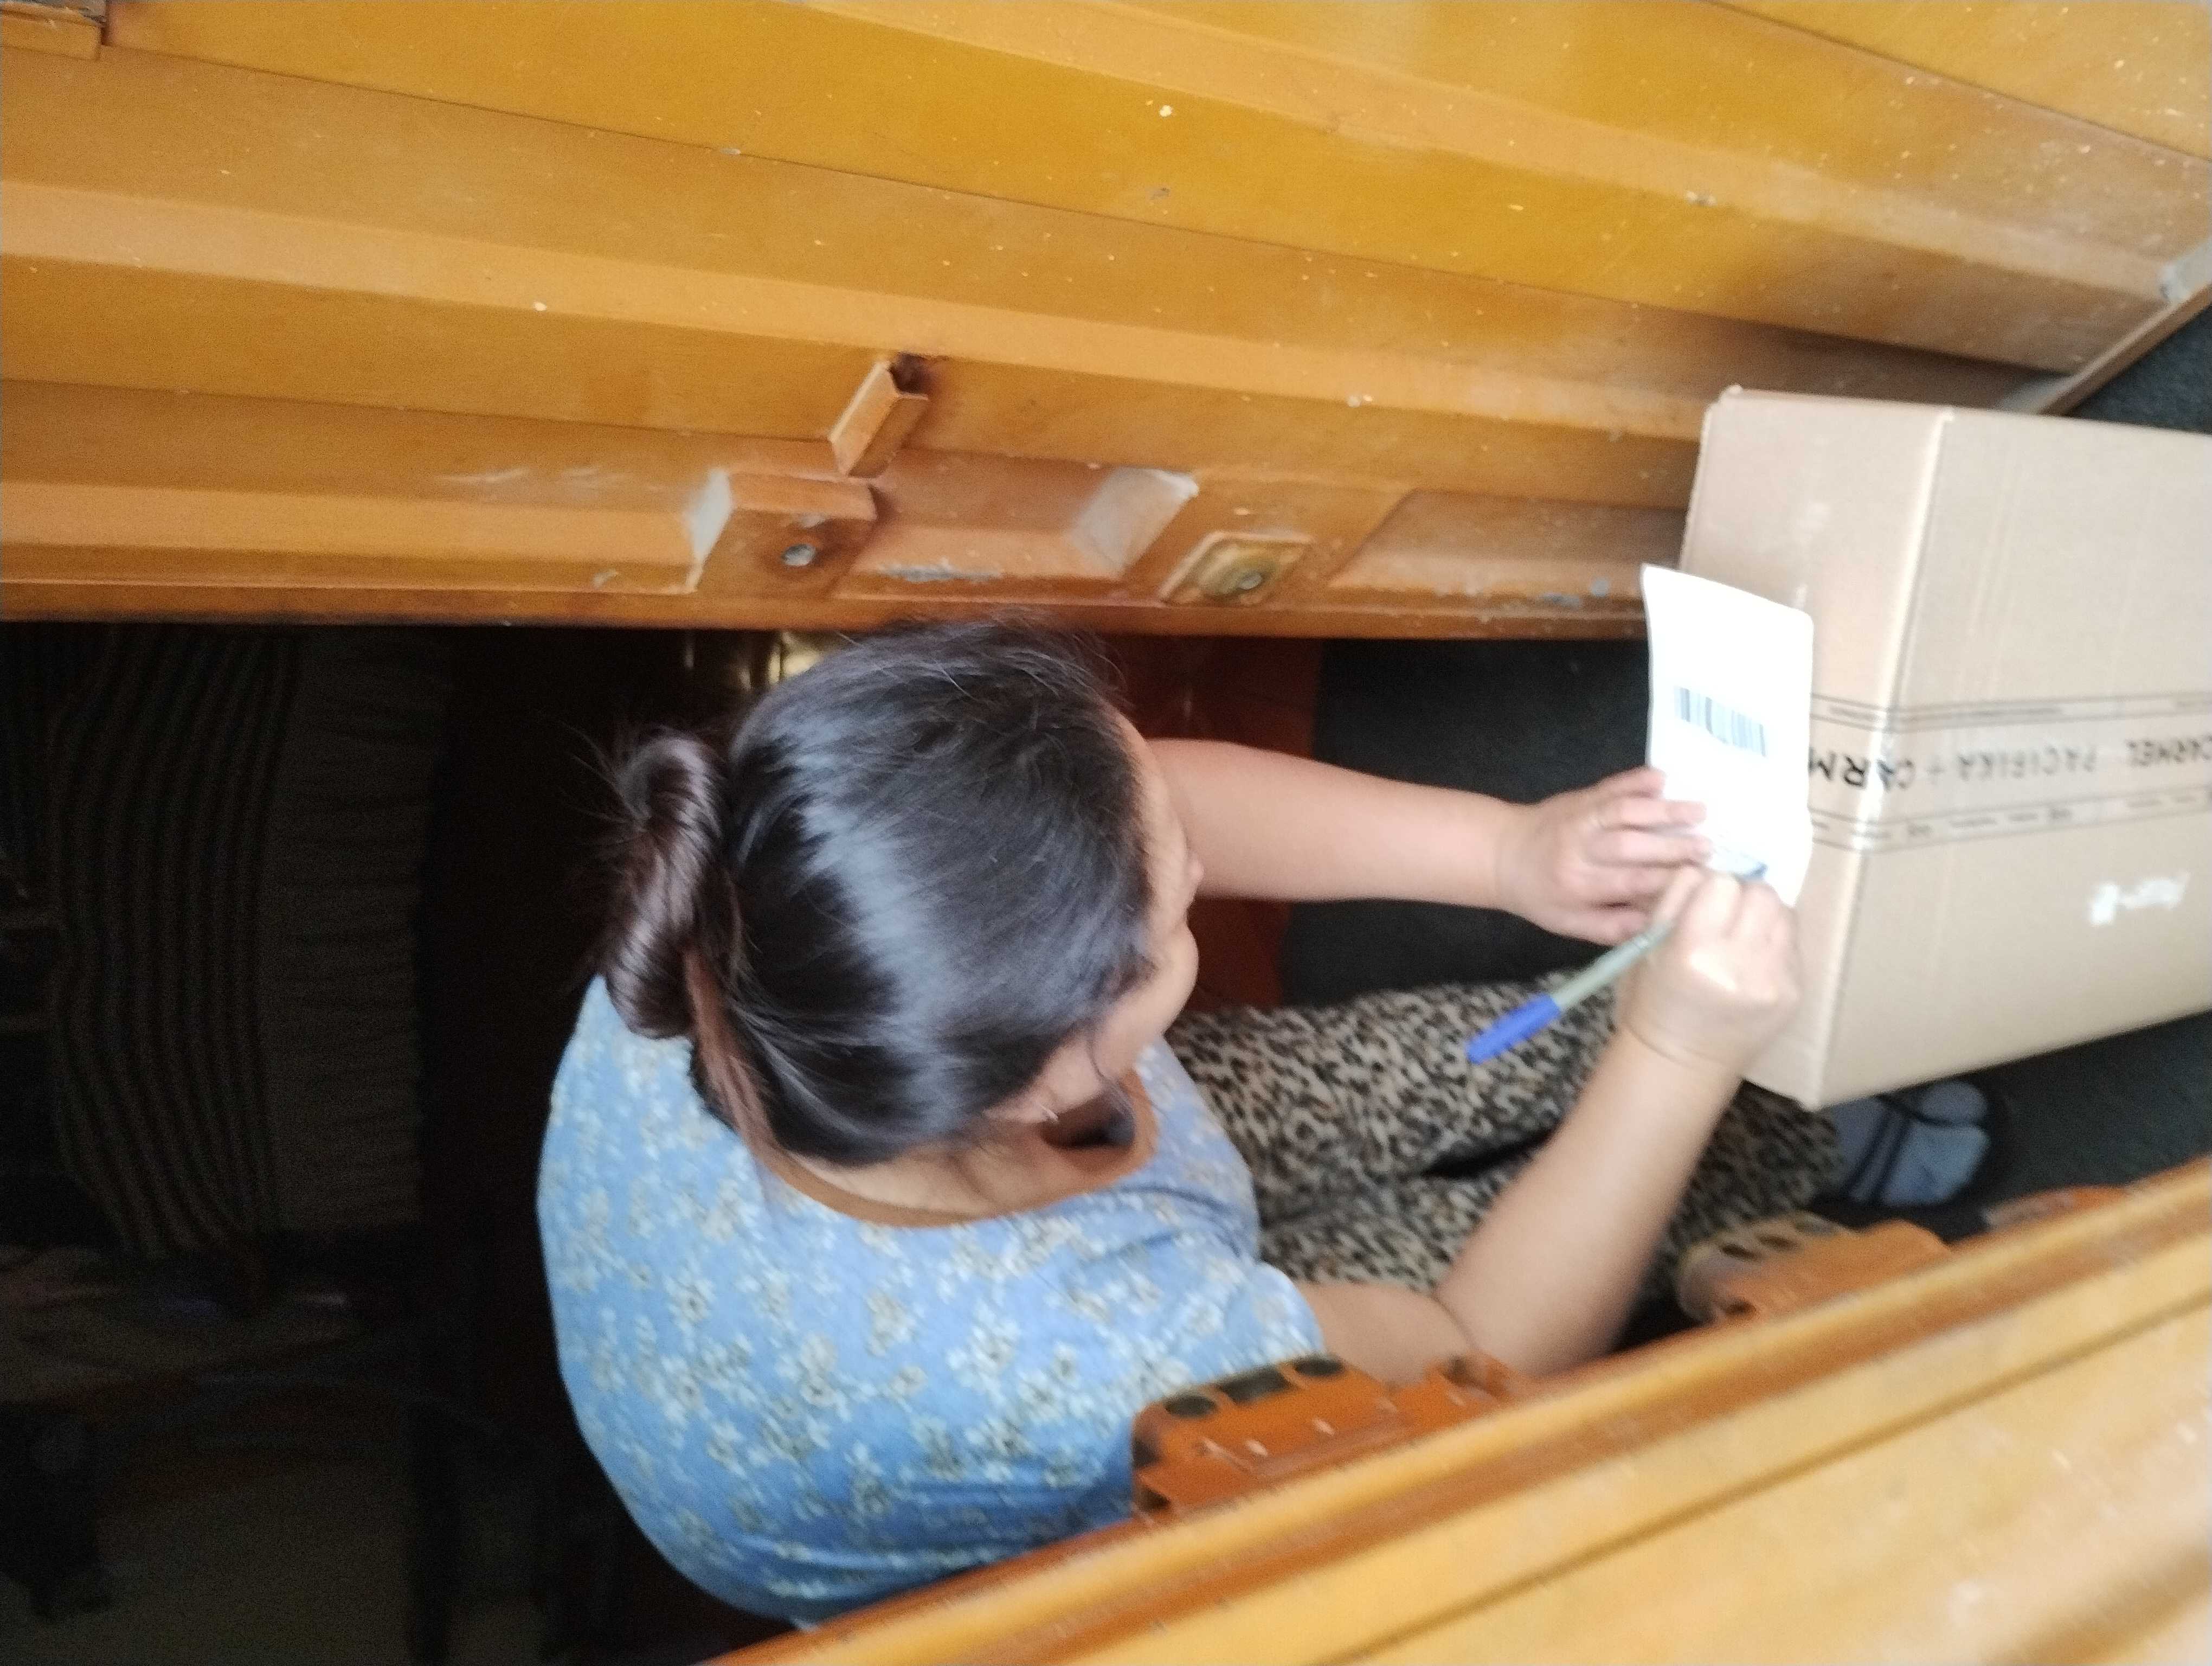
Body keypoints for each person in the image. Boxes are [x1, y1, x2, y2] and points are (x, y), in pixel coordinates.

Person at [537, 619, 1832, 1622]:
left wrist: (1509, 852)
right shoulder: (1080, 1362)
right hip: (1020, 1385)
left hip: (1002, 1237)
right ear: (1053, 1078)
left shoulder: (741, 912)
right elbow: (1477, 1347)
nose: (1203, 872)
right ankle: (1800, 1143)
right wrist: (1676, 1053)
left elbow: (1155, 806)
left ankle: (1697, 1061)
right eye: (1174, 917)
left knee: (1477, 1061)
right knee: (1630, 1178)